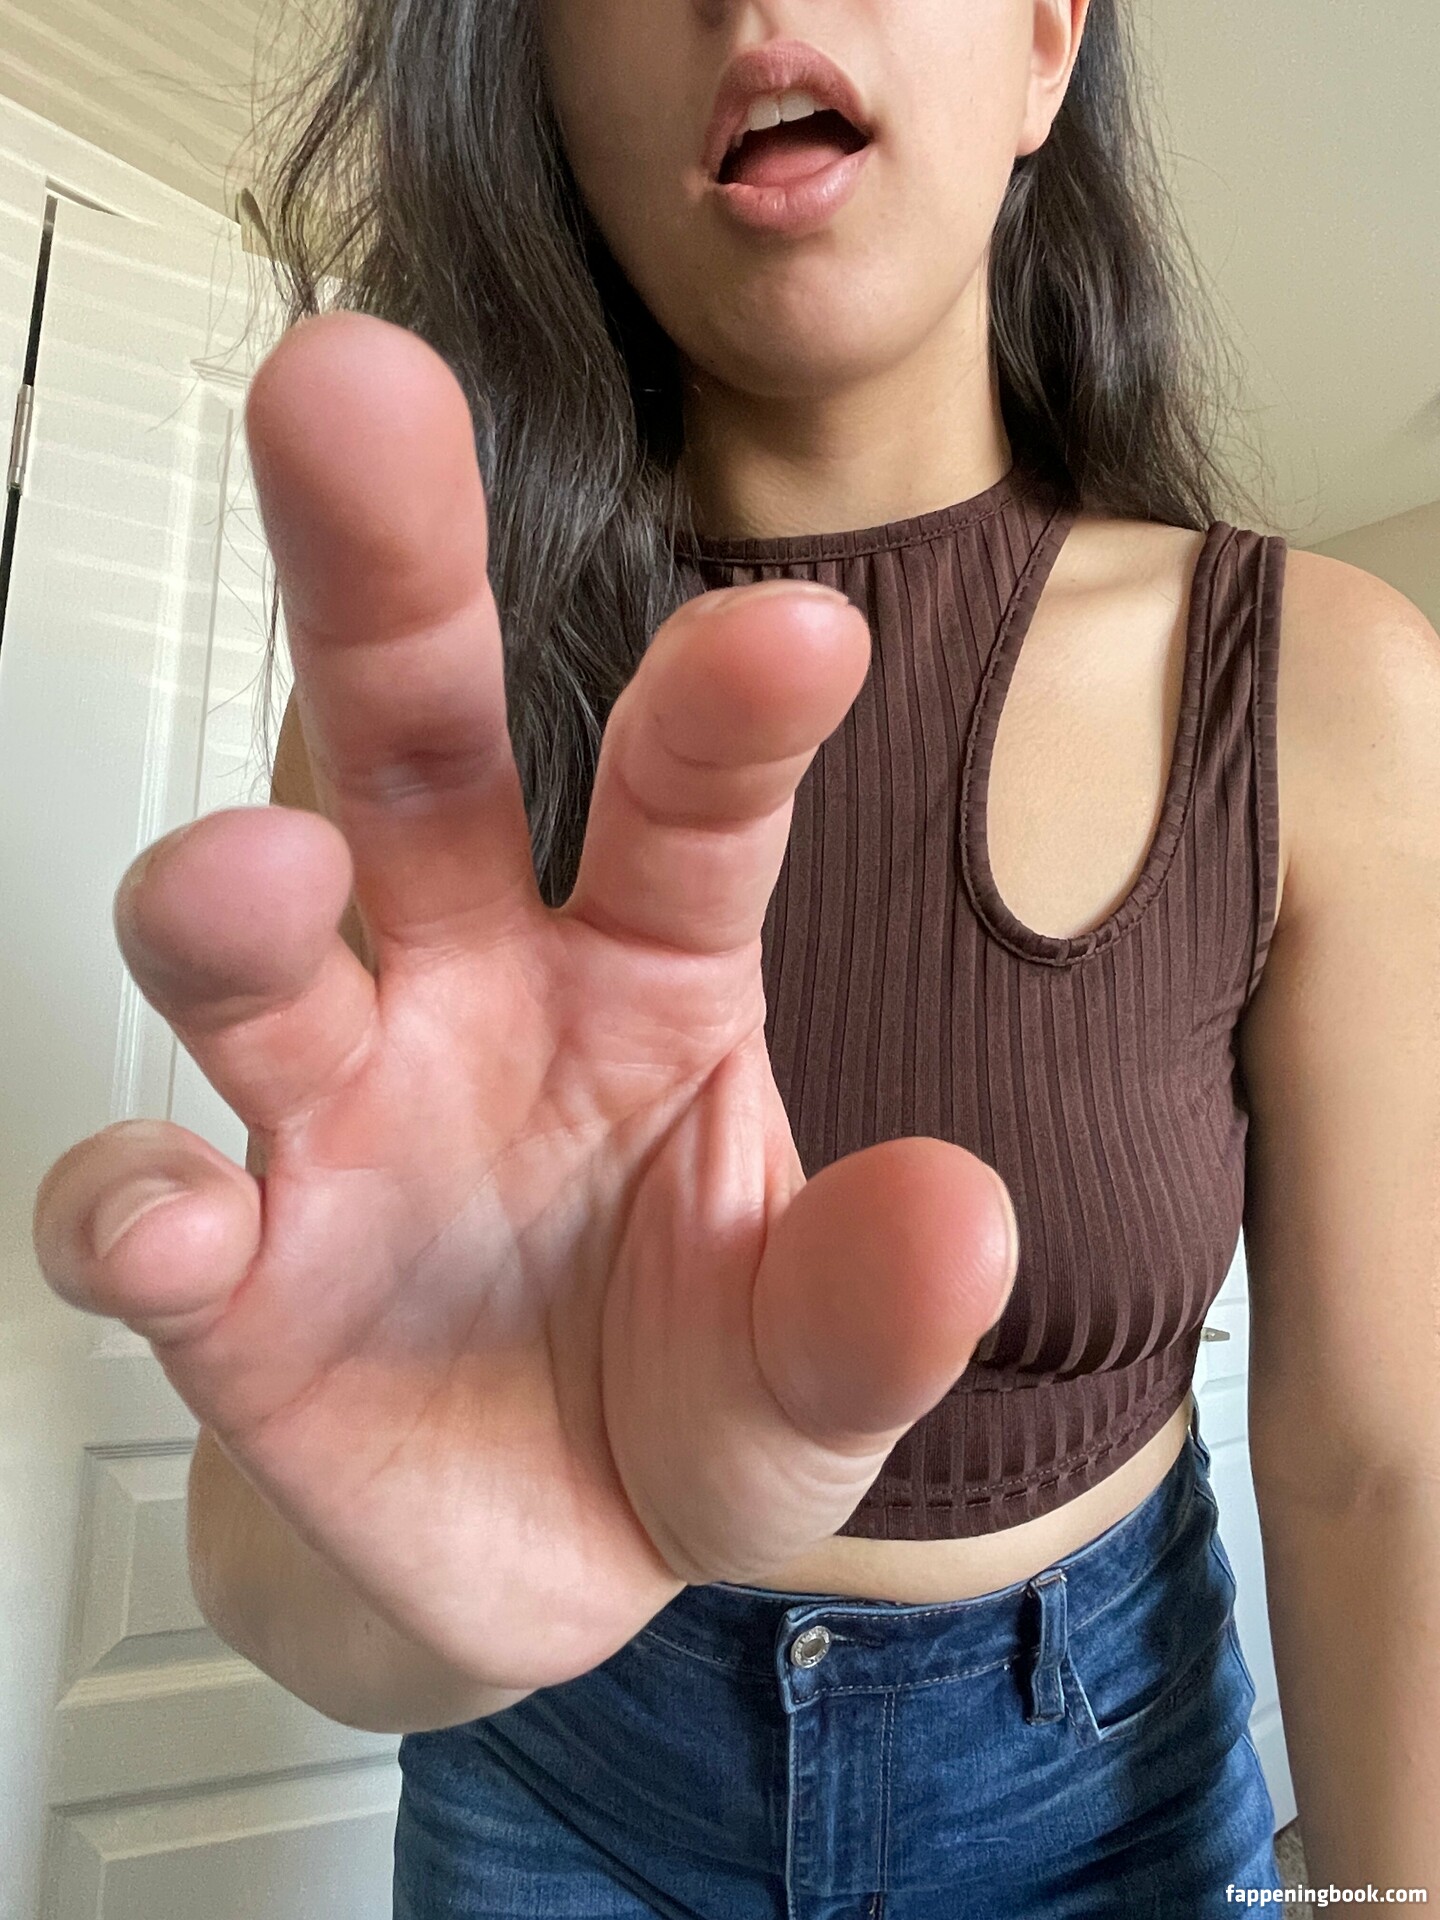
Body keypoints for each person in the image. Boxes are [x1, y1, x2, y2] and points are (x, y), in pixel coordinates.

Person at [30, 0, 1440, 1914]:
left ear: (1046, 44)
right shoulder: (432, 750)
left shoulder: (1313, 686)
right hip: (554, 1804)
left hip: (1109, 1796)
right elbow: (280, 1556)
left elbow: (1376, 1464)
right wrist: (452, 1571)